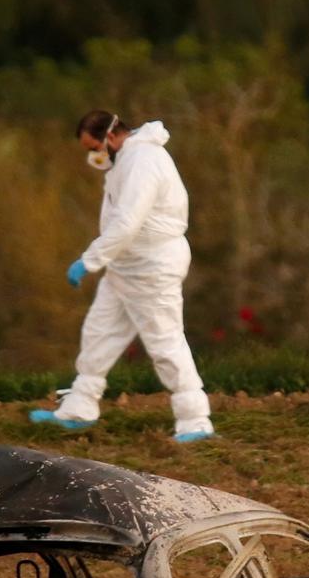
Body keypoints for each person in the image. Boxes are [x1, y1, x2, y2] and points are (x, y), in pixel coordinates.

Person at [29, 110, 215, 443]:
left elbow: (128, 221)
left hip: (152, 268)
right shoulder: (126, 162)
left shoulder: (143, 162)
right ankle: (80, 406)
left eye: (95, 146)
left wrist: (90, 260)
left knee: (164, 341)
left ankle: (195, 419)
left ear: (111, 136)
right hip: (125, 267)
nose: (94, 156)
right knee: (99, 332)